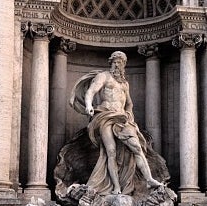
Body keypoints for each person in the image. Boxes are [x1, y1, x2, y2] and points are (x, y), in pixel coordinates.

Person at [69, 51, 163, 195]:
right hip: (105, 116)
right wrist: (88, 105)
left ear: (124, 65)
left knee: (137, 148)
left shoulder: (125, 84)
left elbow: (129, 104)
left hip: (122, 119)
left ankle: (149, 179)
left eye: (120, 62)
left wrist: (129, 115)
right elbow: (90, 92)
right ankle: (116, 187)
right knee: (110, 152)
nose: (118, 65)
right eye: (115, 62)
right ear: (111, 62)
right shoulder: (104, 76)